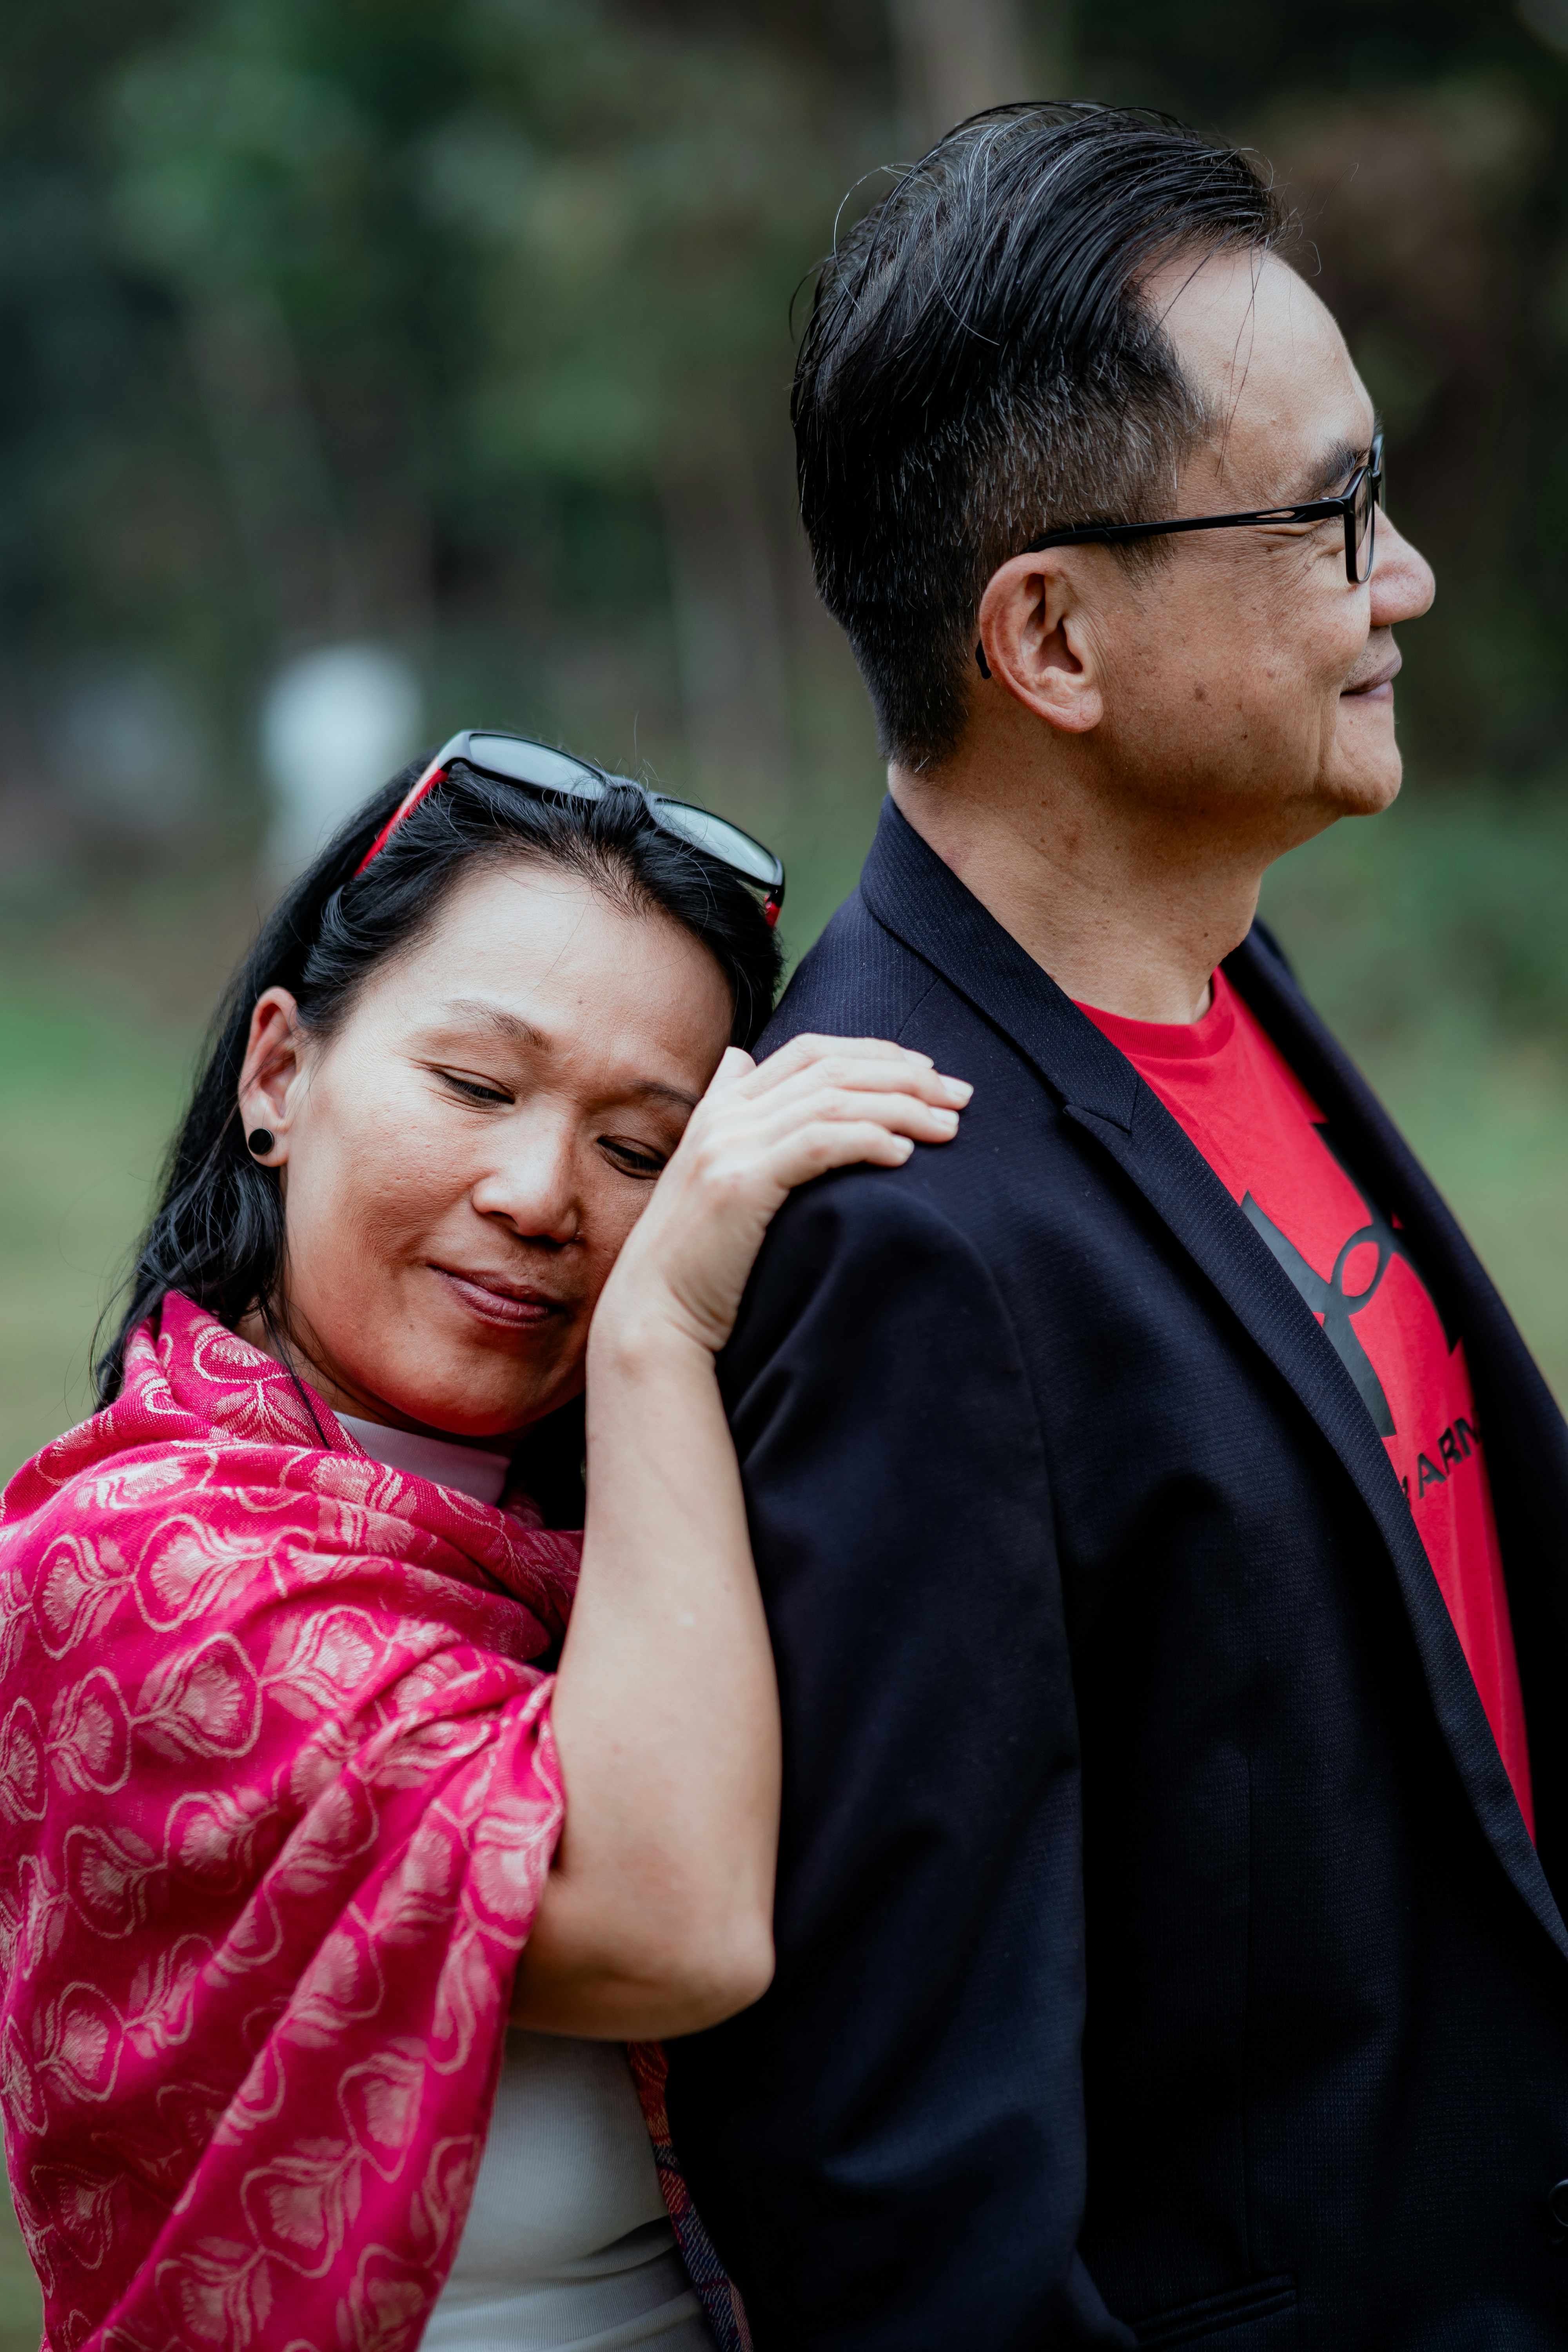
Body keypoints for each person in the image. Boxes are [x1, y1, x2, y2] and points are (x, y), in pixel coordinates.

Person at [662, 103, 1568, 2348]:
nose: (1408, 576)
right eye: (1333, 512)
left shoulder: (1218, 968)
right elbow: (898, 2184)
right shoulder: (900, 1230)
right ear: (1049, 634)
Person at [0, 731, 969, 2352]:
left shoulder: (638, 1532)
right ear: (277, 1075)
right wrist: (658, 1329)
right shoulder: (133, 1563)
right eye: (474, 1084)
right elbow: (676, 1925)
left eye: (641, 1151)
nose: (541, 1196)